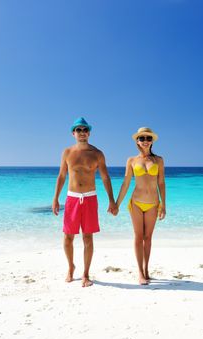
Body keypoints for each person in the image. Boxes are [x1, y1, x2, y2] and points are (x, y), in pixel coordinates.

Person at [52, 117, 117, 287]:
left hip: (90, 198)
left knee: (88, 237)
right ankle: (70, 267)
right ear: (73, 133)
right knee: (68, 237)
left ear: (89, 133)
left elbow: (105, 177)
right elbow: (62, 176)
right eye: (78, 130)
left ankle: (86, 274)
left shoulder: (97, 154)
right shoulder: (67, 152)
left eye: (85, 129)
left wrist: (112, 200)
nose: (82, 132)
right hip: (72, 198)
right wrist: (56, 199)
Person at [116, 127, 166, 285]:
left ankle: (146, 269)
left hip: (152, 203)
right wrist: (116, 203)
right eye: (142, 138)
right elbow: (125, 183)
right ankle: (140, 272)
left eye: (148, 138)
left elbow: (161, 183)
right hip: (136, 202)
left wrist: (163, 204)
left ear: (152, 141)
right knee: (138, 237)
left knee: (148, 238)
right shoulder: (131, 160)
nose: (145, 141)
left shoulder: (159, 160)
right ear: (137, 141)